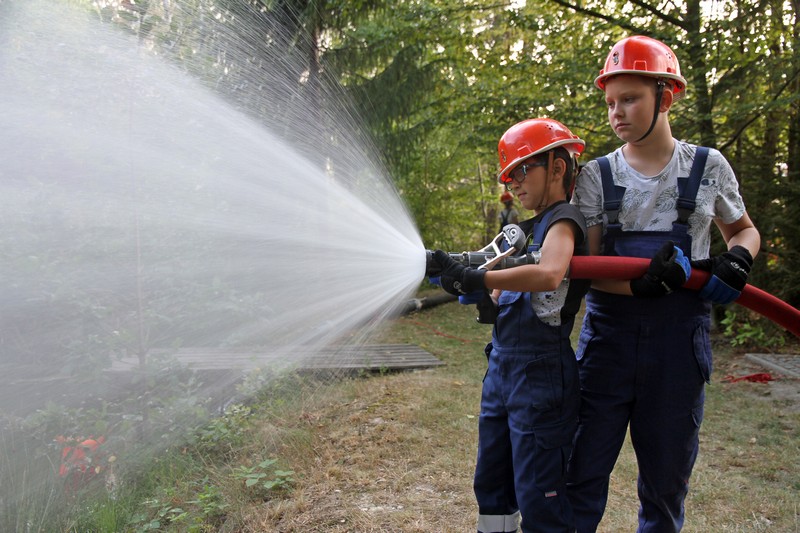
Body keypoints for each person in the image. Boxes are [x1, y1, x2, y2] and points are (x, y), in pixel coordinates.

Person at [567, 35, 761, 532]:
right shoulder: (596, 176)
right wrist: (638, 287)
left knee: (665, 486)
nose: (617, 112)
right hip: (608, 345)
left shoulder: (708, 167)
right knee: (581, 474)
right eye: (611, 102)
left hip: (678, 349)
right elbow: (586, 267)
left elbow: (744, 230)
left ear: (666, 98)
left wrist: (738, 260)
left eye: (630, 99)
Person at [426, 118, 591, 532]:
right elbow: (498, 286)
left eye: (521, 171)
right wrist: (460, 277)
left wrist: (480, 279)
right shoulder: (526, 229)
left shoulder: (563, 220)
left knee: (538, 490)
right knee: (492, 480)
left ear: (557, 168)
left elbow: (550, 274)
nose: (513, 183)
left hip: (541, 374)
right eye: (508, 176)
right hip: (502, 369)